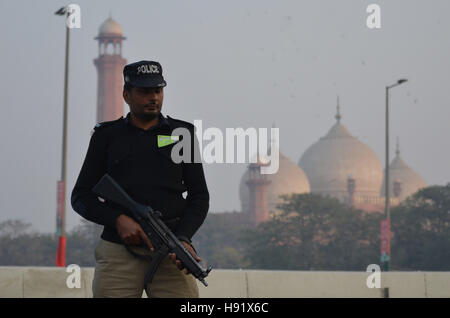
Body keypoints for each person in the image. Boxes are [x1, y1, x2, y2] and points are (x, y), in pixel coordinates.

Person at [71, 60, 210, 298]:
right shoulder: (106, 136)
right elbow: (81, 197)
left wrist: (184, 238)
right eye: (144, 92)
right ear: (127, 95)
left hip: (171, 252)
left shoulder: (181, 134)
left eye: (157, 90)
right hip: (118, 254)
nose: (153, 97)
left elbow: (199, 196)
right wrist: (117, 219)